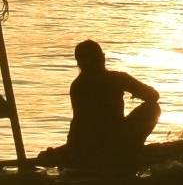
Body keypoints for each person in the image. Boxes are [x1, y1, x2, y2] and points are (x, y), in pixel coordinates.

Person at [60, 39, 160, 167]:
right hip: (113, 139)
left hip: (81, 144)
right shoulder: (118, 79)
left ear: (79, 64)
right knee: (153, 108)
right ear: (102, 58)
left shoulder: (77, 85)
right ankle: (131, 150)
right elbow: (153, 96)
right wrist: (136, 92)